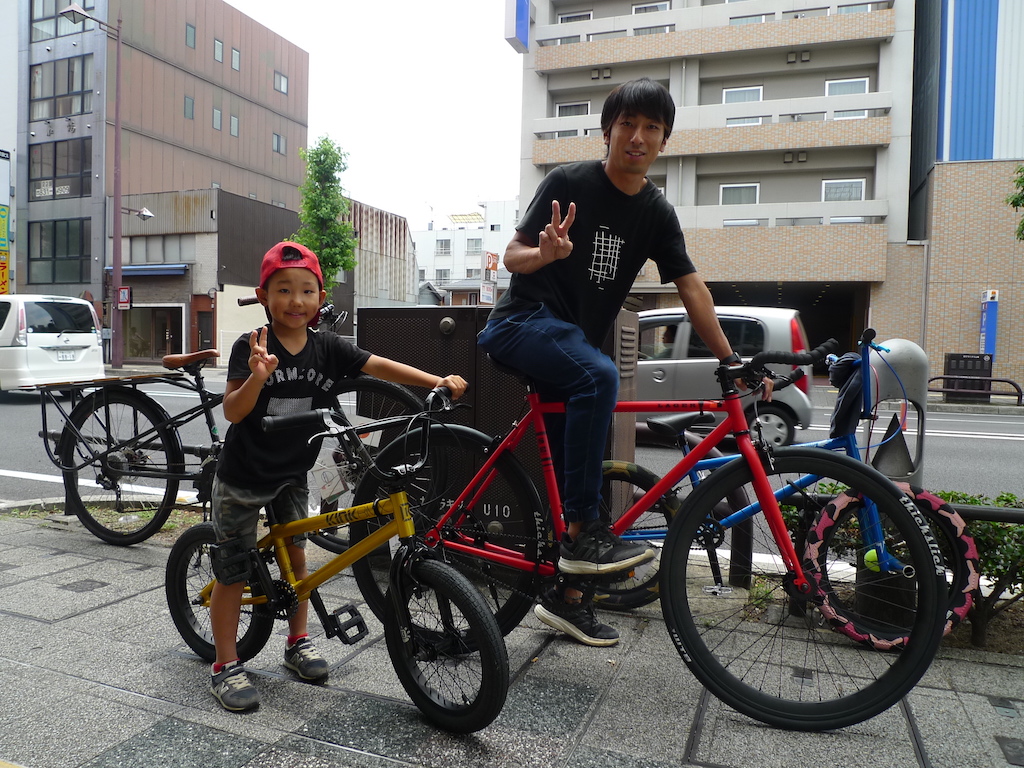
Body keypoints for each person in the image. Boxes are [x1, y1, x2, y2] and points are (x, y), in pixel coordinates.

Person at [478, 77, 767, 647]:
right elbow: (511, 256)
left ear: (664, 140)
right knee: (600, 375)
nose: (637, 137)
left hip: (569, 346)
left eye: (651, 128)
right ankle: (587, 536)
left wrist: (732, 358)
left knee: (578, 465)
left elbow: (691, 287)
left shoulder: (655, 212)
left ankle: (567, 600)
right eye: (627, 124)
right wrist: (544, 253)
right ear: (607, 132)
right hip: (521, 323)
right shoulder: (568, 183)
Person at [208, 241, 467, 712]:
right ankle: (225, 664)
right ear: (263, 296)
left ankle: (298, 641)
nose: (296, 300)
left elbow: (377, 365)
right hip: (243, 477)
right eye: (283, 290)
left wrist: (435, 381)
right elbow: (233, 411)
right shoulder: (253, 345)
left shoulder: (327, 347)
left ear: (320, 297)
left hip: (292, 472)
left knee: (297, 558)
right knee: (233, 572)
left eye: (306, 290)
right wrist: (258, 377)